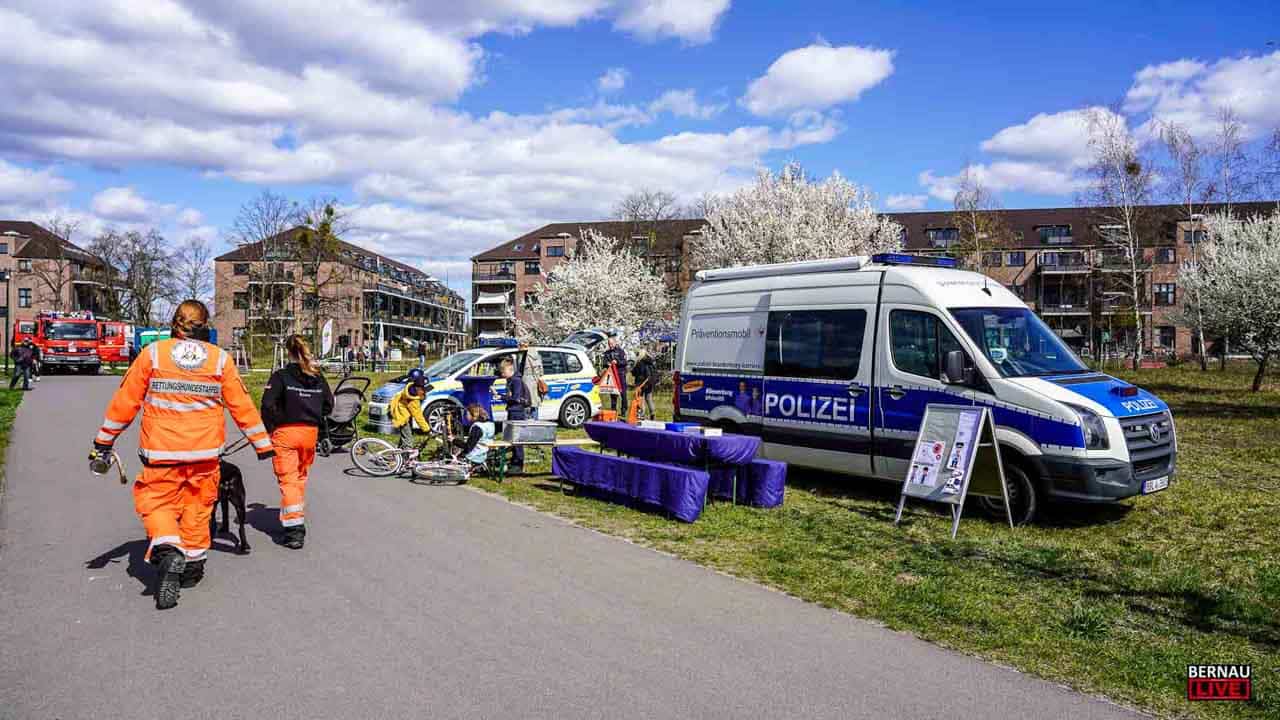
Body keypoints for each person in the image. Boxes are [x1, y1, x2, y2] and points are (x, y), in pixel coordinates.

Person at [90, 300, 274, 610]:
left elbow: (126, 402)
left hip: (161, 454)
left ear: (175, 322)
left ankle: (167, 549)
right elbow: (242, 404)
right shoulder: (220, 360)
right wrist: (261, 443)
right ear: (204, 326)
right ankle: (192, 567)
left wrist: (103, 442)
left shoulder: (154, 355)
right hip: (204, 456)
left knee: (156, 504)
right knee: (198, 509)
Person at [260, 335, 333, 550]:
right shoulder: (317, 376)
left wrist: (274, 424)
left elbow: (267, 404)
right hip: (310, 433)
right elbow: (329, 405)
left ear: (287, 352)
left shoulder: (281, 376)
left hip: (286, 433)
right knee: (300, 477)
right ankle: (293, 515)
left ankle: (295, 529)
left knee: (288, 480)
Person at [500, 357, 529, 475]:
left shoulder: (516, 381)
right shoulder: (510, 380)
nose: (502, 374)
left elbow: (516, 398)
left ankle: (519, 464)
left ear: (509, 369)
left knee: (517, 438)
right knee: (511, 438)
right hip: (512, 410)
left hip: (517, 412)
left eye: (503, 371)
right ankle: (514, 460)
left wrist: (502, 397)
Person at [390, 367, 430, 449]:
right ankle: (405, 458)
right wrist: (426, 429)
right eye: (423, 388)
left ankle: (398, 456)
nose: (424, 390)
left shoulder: (412, 388)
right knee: (408, 440)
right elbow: (418, 416)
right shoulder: (413, 399)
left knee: (405, 436)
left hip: (403, 413)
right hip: (402, 416)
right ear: (419, 387)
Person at [449, 403, 496, 472]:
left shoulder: (477, 427)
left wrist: (454, 440)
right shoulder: (490, 423)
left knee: (451, 460)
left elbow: (468, 447)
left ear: (473, 415)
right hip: (486, 452)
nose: (466, 416)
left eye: (467, 414)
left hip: (476, 455)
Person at [602, 335, 628, 412]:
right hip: (612, 376)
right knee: (613, 393)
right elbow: (604, 363)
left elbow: (625, 362)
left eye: (611, 343)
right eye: (609, 344)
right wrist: (607, 364)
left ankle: (624, 410)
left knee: (623, 393)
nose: (610, 345)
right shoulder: (606, 353)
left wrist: (617, 362)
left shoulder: (621, 351)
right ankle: (613, 411)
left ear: (615, 343)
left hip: (620, 374)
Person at [518, 341, 543, 415]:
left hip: (526, 382)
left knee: (527, 404)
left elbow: (519, 369)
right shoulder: (537, 355)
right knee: (535, 405)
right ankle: (535, 422)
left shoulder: (523, 356)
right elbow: (541, 371)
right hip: (535, 381)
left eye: (520, 345)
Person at [631, 349, 656, 420]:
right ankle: (652, 414)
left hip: (641, 383)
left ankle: (642, 414)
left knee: (641, 399)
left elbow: (635, 373)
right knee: (649, 399)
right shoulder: (650, 361)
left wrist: (633, 369)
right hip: (650, 383)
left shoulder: (640, 362)